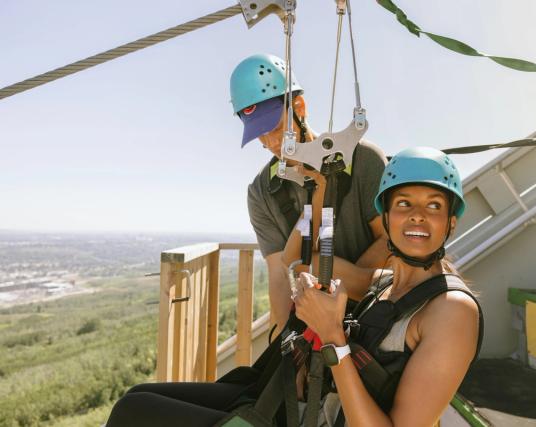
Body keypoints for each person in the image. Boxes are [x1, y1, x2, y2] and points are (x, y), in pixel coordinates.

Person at [105, 147, 483, 427]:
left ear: (450, 222)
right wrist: (321, 190)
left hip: (305, 417)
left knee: (131, 414)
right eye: (404, 203)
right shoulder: (384, 284)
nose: (418, 214)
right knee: (137, 397)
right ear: (386, 216)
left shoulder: (451, 310)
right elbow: (305, 260)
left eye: (434, 205)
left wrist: (334, 338)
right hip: (295, 400)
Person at [231, 53, 389, 333]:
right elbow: (280, 276)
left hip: (376, 310)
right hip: (314, 321)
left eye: (276, 128)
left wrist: (335, 285)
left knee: (309, 264)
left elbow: (390, 241)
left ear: (299, 107)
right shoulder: (262, 192)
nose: (271, 143)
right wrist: (284, 342)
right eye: (260, 134)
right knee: (301, 264)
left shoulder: (363, 160)